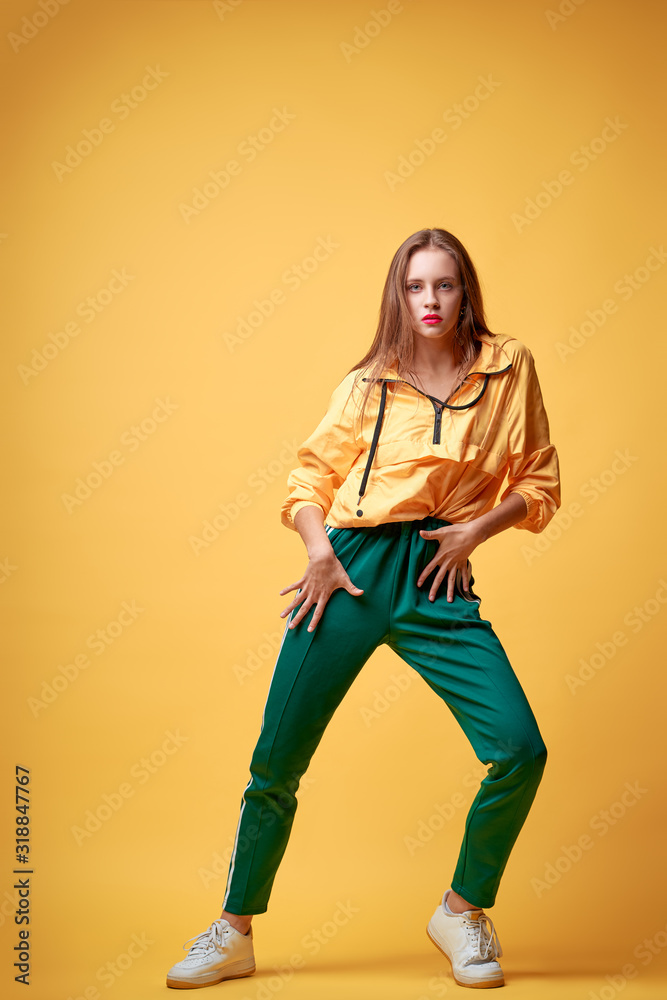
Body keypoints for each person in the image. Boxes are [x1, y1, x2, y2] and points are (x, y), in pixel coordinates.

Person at [166, 227, 561, 990]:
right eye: (415, 287)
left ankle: (461, 909)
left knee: (519, 749)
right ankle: (234, 928)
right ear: (397, 295)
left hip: (439, 573)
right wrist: (319, 551)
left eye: (443, 285)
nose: (430, 301)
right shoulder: (366, 382)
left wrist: (477, 528)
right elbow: (307, 481)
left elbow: (539, 478)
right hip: (348, 567)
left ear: (464, 290)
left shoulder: (509, 366)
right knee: (275, 764)